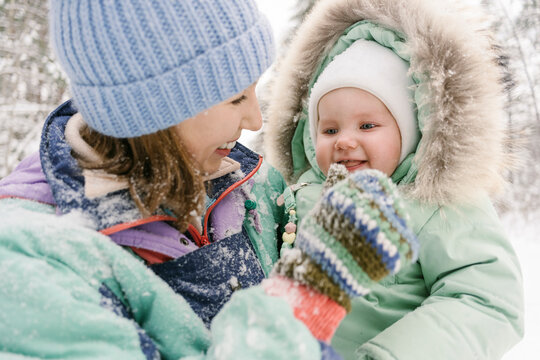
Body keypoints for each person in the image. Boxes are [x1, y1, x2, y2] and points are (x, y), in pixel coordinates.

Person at [0, 0, 419, 359]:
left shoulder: (256, 186)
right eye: (235, 97)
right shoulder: (33, 267)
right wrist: (310, 296)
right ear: (153, 109)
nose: (255, 119)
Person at [264, 0, 525, 359]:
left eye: (367, 125)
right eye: (329, 129)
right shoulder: (293, 198)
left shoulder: (436, 204)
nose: (344, 140)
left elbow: (486, 300)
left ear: (411, 130)